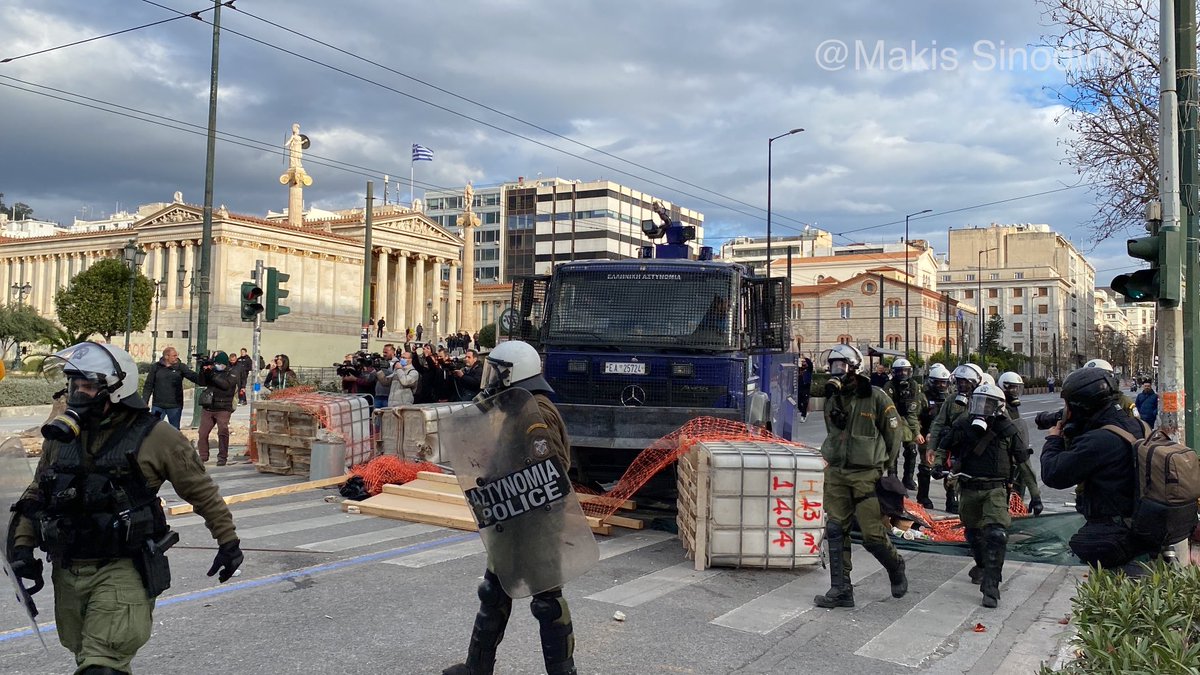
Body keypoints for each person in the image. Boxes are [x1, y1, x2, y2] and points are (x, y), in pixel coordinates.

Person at [8, 342, 243, 674]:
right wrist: (21, 548)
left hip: (122, 569)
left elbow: (201, 491)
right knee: (89, 657)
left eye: (88, 385)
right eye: (74, 384)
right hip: (69, 570)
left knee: (101, 665)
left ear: (117, 389)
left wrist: (228, 541)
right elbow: (37, 494)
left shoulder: (156, 437)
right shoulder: (60, 440)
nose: (78, 393)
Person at [443, 340, 579, 675]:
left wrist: (511, 482)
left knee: (547, 604)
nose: (491, 378)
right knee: (494, 591)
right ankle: (478, 666)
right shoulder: (518, 408)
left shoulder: (537, 412)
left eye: (497, 371)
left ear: (512, 373)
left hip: (537, 523)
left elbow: (553, 468)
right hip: (511, 518)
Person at [812, 344, 907, 609]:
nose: (837, 372)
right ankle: (841, 589)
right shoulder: (833, 399)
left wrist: (885, 466)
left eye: (842, 366)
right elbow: (833, 431)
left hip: (867, 475)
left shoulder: (876, 397)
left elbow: (894, 434)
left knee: (872, 535)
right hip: (838, 473)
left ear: (856, 368)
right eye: (833, 366)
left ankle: (895, 566)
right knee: (835, 528)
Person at [1041, 366, 1154, 572]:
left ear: (1081, 404)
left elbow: (1053, 474)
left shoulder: (1100, 440)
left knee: (1116, 596)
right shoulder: (1138, 425)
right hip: (1142, 529)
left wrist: (1053, 439)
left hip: (1117, 540)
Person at [933, 383, 1019, 608]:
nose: (982, 408)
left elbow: (1022, 460)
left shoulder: (1007, 429)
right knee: (973, 533)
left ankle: (991, 586)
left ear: (998, 406)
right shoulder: (963, 424)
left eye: (988, 403)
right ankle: (982, 565)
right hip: (969, 487)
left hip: (995, 489)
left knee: (996, 534)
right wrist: (938, 464)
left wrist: (1035, 494)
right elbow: (944, 445)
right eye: (979, 402)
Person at [930, 363, 985, 514]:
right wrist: (932, 447)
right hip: (955, 445)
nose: (962, 384)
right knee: (951, 475)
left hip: (977, 446)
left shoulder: (984, 399)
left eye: (965, 381)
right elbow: (939, 423)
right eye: (959, 381)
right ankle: (951, 500)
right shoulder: (951, 400)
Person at [998, 372, 1043, 516]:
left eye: (1017, 388)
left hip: (1013, 448)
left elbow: (1017, 428)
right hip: (999, 454)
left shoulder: (1012, 407)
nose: (1015, 391)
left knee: (1022, 478)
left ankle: (1015, 510)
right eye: (1011, 388)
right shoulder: (998, 407)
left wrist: (1036, 496)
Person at [882, 357, 925, 490]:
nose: (903, 375)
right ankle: (892, 476)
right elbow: (887, 408)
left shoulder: (913, 386)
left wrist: (916, 432)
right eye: (900, 372)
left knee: (912, 450)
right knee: (893, 450)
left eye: (906, 371)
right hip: (892, 418)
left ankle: (908, 478)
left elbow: (912, 411)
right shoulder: (889, 386)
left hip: (909, 419)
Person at [916, 363, 951, 509]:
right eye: (939, 382)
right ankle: (923, 497)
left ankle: (951, 499)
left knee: (949, 468)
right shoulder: (922, 396)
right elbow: (914, 416)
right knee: (926, 467)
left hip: (946, 438)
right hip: (927, 436)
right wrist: (917, 433)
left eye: (944, 382)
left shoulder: (951, 398)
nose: (942, 385)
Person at [141, 346, 198, 429]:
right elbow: (148, 385)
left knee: (174, 430)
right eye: (174, 356)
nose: (176, 357)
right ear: (166, 356)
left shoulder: (180, 367)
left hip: (175, 406)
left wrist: (205, 377)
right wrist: (144, 402)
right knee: (153, 429)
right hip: (158, 406)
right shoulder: (156, 367)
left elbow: (193, 376)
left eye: (176, 355)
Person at [197, 351, 239, 465]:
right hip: (209, 407)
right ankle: (203, 456)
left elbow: (225, 385)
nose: (217, 365)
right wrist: (203, 370)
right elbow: (201, 382)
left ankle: (222, 457)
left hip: (224, 407)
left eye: (219, 363)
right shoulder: (212, 371)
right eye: (216, 363)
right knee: (202, 433)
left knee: (222, 431)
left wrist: (212, 375)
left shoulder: (232, 372)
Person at [372, 344, 399, 408]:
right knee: (376, 416)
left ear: (392, 352)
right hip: (378, 395)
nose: (384, 354)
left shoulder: (397, 363)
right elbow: (372, 376)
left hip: (389, 396)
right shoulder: (381, 361)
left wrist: (381, 370)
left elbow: (391, 375)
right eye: (383, 352)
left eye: (386, 352)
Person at [796, 356, 814, 423]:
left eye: (804, 362)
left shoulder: (809, 369)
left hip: (806, 387)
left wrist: (805, 358)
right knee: (798, 403)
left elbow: (810, 364)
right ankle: (804, 412)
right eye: (802, 362)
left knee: (805, 402)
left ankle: (803, 416)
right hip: (800, 387)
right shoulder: (799, 369)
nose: (803, 363)